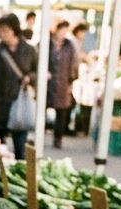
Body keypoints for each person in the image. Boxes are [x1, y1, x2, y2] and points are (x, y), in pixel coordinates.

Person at [0, 14, 36, 159]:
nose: (2, 34)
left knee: (20, 146)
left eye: (5, 30)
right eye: (0, 30)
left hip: (19, 101)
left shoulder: (29, 50)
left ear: (14, 30)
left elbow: (38, 71)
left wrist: (30, 78)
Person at [48, 20, 79, 148]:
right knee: (42, 108)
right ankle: (36, 135)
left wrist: (72, 79)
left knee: (62, 112)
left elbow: (74, 62)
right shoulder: (46, 43)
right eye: (61, 29)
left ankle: (58, 138)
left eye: (65, 30)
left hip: (63, 82)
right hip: (48, 82)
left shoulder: (69, 45)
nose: (63, 33)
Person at [71, 22, 93, 134]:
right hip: (74, 75)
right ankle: (77, 125)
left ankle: (77, 125)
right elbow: (78, 56)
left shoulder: (77, 42)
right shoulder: (73, 42)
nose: (84, 34)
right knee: (75, 101)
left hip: (76, 75)